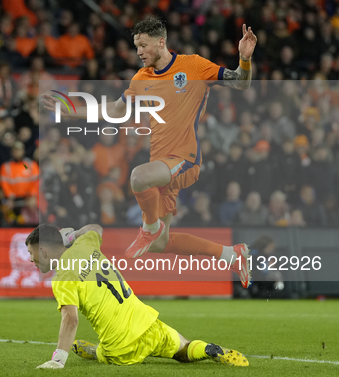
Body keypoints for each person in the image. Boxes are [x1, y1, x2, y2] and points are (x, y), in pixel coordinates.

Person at [42, 16, 257, 288]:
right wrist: (71, 111)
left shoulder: (193, 65)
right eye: (136, 46)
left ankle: (149, 227)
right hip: (162, 168)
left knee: (137, 178)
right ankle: (230, 254)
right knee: (160, 244)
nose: (139, 52)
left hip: (185, 160)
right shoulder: (141, 79)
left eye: (143, 45)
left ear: (161, 42)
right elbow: (116, 111)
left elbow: (241, 82)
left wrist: (244, 60)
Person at [26, 224, 248, 369]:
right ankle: (208, 349)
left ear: (43, 251)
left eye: (31, 252)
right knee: (183, 349)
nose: (30, 259)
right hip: (146, 321)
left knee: (104, 353)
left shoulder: (63, 276)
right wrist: (72, 235)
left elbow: (71, 319)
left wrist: (58, 359)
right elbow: (95, 228)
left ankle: (95, 352)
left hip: (120, 345)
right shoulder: (85, 244)